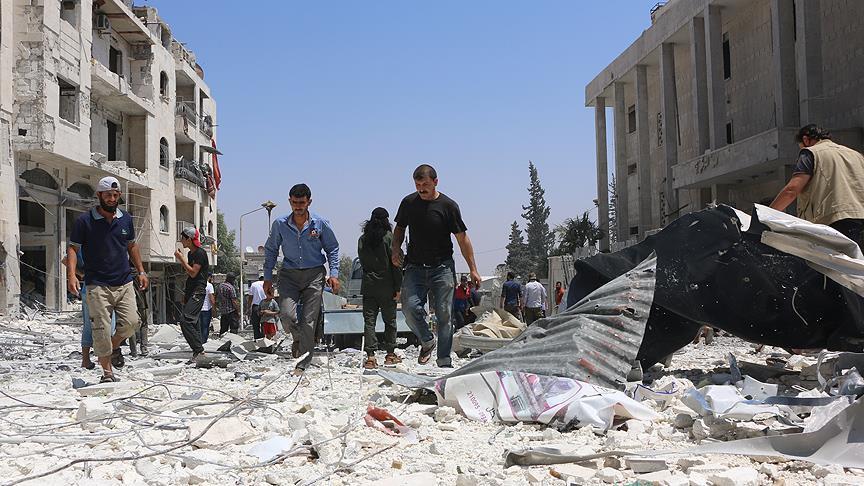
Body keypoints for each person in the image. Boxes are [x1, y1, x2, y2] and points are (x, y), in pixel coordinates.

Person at [392, 164, 481, 368]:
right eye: (417, 185)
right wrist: (395, 249)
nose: (421, 189)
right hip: (415, 267)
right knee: (409, 308)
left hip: (442, 267)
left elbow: (462, 239)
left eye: (425, 184)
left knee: (444, 313)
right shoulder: (408, 203)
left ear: (435, 182)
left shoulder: (448, 206)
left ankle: (444, 360)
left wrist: (473, 269)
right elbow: (399, 229)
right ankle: (427, 340)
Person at [66, 176, 148, 383]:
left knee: (132, 322)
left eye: (115, 195)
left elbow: (131, 245)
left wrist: (141, 271)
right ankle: (107, 373)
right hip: (97, 284)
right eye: (108, 195)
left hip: (124, 281)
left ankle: (113, 345)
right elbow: (73, 249)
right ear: (99, 195)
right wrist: (71, 275)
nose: (112, 198)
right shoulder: (85, 221)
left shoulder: (126, 219)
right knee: (100, 329)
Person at [264, 183, 340, 375]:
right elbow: (271, 250)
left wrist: (334, 274)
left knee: (308, 320)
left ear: (309, 202)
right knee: (286, 315)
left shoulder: (320, 224)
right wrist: (267, 278)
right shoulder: (280, 224)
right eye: (294, 203)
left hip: (314, 275)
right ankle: (298, 337)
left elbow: (332, 248)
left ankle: (302, 363)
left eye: (302, 203)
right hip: (289, 275)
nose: (298, 207)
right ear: (290, 201)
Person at [770, 124, 864, 246]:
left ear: (805, 140)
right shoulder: (857, 155)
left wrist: (768, 214)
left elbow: (792, 190)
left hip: (834, 222)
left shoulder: (810, 153)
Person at [357, 207, 403, 369]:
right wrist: (398, 287)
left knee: (369, 322)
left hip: (369, 286)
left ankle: (370, 357)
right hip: (387, 286)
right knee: (390, 321)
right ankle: (390, 355)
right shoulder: (389, 238)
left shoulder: (363, 239)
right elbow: (396, 265)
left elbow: (362, 262)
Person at [63, 251, 116, 369]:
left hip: (89, 288)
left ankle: (86, 359)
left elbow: (66, 260)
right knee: (109, 325)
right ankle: (103, 358)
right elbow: (66, 260)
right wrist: (81, 274)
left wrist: (81, 274)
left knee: (89, 325)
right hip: (101, 289)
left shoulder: (84, 246)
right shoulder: (97, 246)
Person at [175, 226, 209, 363]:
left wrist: (181, 259)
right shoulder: (191, 254)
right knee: (193, 323)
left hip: (198, 291)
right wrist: (186, 294)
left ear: (189, 239)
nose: (181, 240)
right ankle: (198, 352)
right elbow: (189, 274)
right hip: (191, 290)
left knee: (186, 321)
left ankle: (199, 350)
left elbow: (193, 273)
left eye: (183, 238)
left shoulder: (200, 253)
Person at [246, 275, 266, 339]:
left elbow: (250, 297)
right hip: (266, 307)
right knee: (264, 324)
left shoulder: (254, 284)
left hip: (256, 307)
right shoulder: (268, 284)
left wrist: (248, 308)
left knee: (256, 325)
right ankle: (264, 339)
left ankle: (257, 339)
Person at [198, 274, 215, 344]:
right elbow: (211, 298)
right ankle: (204, 341)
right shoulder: (209, 285)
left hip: (198, 309)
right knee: (205, 326)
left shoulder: (198, 284)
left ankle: (199, 341)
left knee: (199, 326)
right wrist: (214, 308)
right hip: (206, 309)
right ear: (209, 277)